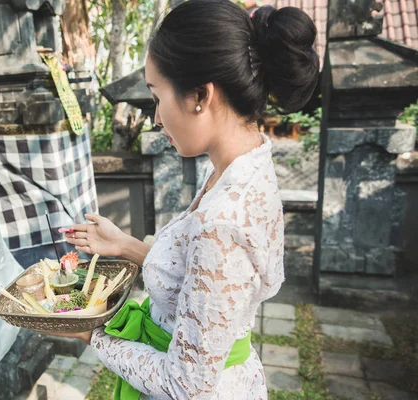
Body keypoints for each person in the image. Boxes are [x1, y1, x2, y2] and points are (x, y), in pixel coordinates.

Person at [47, 1, 319, 398]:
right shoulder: (242, 167)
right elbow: (202, 277)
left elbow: (186, 384)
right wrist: (125, 245)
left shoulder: (223, 220)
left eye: (157, 96)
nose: (156, 117)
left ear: (199, 96)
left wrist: (88, 331)